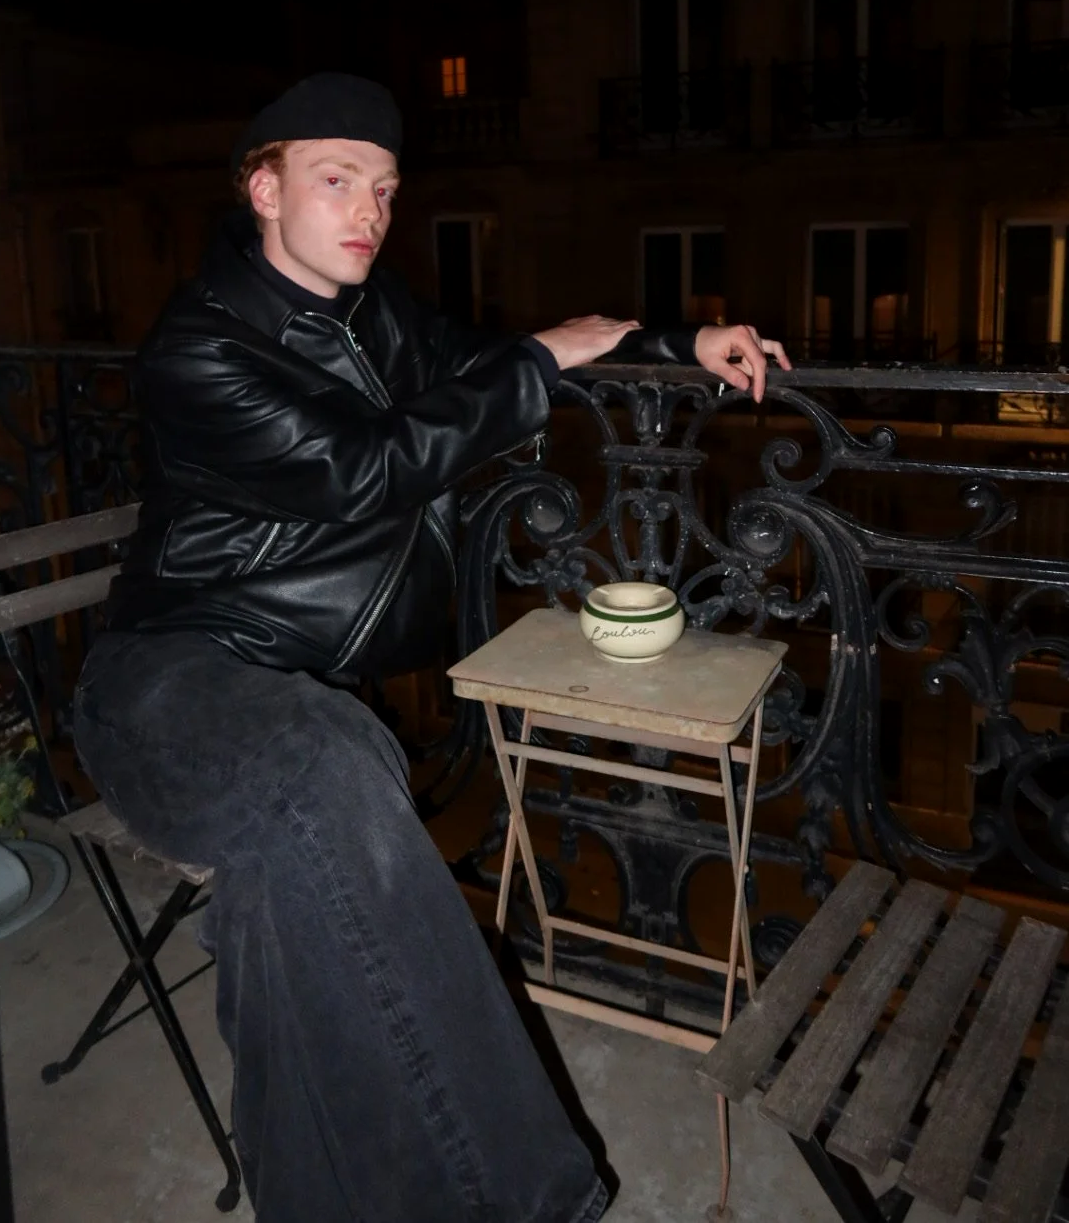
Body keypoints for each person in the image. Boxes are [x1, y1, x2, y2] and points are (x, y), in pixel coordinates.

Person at [73, 74, 791, 1223]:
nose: (371, 208)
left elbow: (499, 354)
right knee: (326, 763)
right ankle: (532, 1201)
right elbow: (367, 468)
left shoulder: (379, 315)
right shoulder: (196, 350)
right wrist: (536, 364)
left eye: (389, 188)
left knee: (284, 898)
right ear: (264, 189)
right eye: (338, 180)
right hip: (163, 684)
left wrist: (679, 337)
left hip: (291, 696)